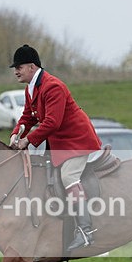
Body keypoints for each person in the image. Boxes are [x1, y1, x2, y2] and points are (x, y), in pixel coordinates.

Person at [9, 44, 102, 251]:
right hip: (60, 143)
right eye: (15, 67)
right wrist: (16, 133)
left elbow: (52, 122)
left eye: (19, 67)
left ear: (32, 67)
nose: (15, 71)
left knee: (69, 177)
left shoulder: (53, 86)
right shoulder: (31, 88)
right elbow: (27, 117)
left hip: (76, 140)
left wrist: (27, 141)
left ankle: (86, 231)